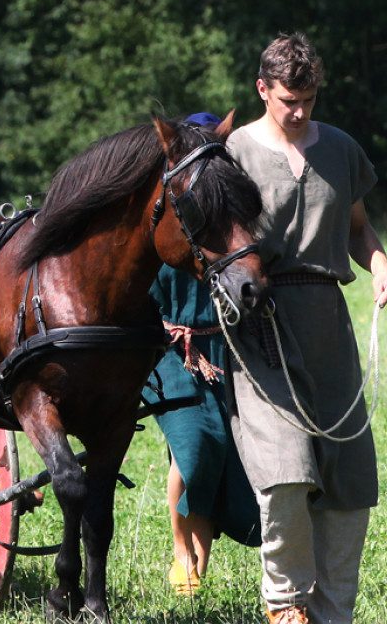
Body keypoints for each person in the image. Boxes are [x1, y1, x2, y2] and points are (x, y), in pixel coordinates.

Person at [225, 34, 387, 624]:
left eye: (308, 99)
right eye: (286, 100)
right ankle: (286, 606)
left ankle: (333, 614)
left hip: (329, 322)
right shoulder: (234, 154)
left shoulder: (342, 150)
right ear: (262, 90)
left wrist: (379, 266)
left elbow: (358, 227)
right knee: (284, 474)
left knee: (347, 478)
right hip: (261, 327)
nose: (299, 112)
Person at [143, 112, 261, 598]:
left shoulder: (221, 220)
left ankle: (199, 566)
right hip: (169, 350)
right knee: (192, 447)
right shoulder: (167, 218)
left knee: (218, 456)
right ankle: (179, 551)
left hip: (219, 347)